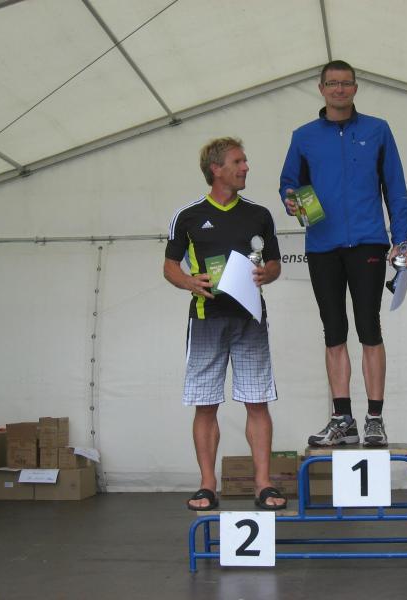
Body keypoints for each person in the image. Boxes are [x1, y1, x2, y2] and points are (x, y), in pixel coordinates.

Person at [279, 60, 407, 447]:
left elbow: (396, 188)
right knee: (334, 331)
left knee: (369, 328)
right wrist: (290, 199)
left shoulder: (377, 130)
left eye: (346, 83)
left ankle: (374, 419)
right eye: (332, 84)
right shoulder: (303, 136)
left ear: (356, 88)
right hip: (323, 244)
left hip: (368, 242)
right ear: (321, 88)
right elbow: (289, 183)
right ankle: (342, 420)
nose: (339, 90)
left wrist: (401, 239)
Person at [164, 137, 286, 511]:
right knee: (205, 405)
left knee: (257, 401)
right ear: (216, 168)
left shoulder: (259, 214)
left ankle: (263, 484)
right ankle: (207, 485)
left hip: (250, 319)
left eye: (245, 161)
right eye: (238, 161)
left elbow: (275, 264)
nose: (246, 167)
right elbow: (170, 267)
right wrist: (189, 282)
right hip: (206, 320)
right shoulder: (187, 216)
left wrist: (268, 273)